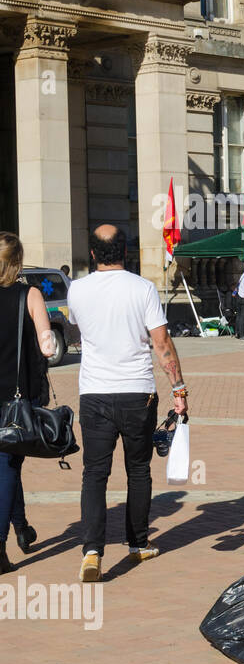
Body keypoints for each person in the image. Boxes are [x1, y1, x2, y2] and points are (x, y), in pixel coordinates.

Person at [68, 225, 189, 584]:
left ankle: (92, 550)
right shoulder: (143, 288)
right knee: (138, 470)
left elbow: (77, 330)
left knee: (94, 473)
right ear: (126, 251)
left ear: (92, 253)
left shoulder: (77, 289)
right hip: (137, 392)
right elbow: (162, 342)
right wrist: (179, 389)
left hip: (94, 393)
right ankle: (138, 543)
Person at [0, 235, 57, 574]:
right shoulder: (29, 294)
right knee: (8, 463)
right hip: (18, 399)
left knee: (9, 462)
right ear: (18, 261)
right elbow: (47, 345)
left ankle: (21, 525)